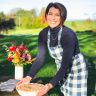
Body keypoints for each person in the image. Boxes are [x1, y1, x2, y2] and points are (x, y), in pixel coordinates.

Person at [16, 2, 88, 96]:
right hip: (61, 68)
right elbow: (40, 59)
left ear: (63, 17)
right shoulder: (43, 34)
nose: (53, 18)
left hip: (76, 68)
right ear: (46, 15)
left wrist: (48, 86)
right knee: (65, 92)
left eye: (57, 15)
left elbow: (65, 65)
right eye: (50, 14)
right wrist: (28, 77)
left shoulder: (68, 35)